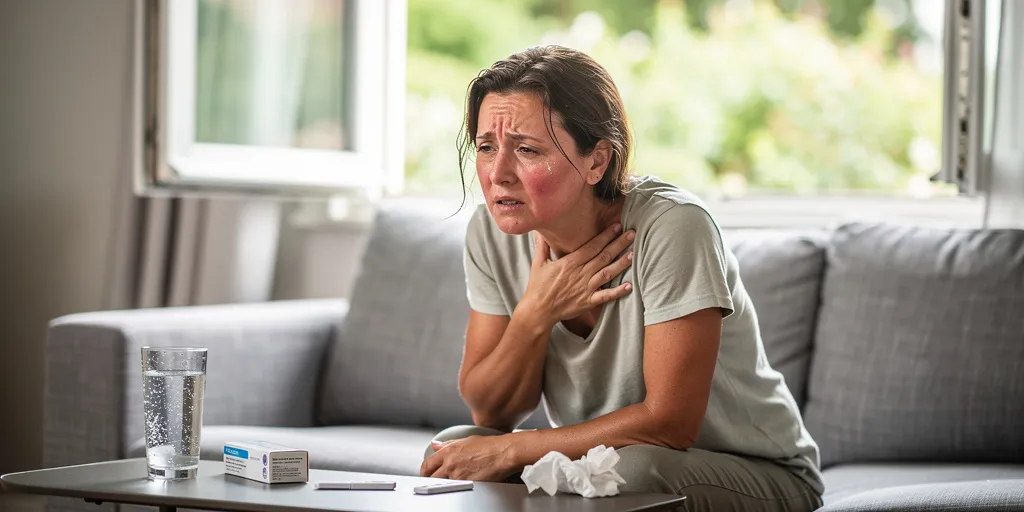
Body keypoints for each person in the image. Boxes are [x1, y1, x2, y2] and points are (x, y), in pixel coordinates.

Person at [419, 45, 824, 511]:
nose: (498, 174)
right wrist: (536, 312)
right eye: (487, 147)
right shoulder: (490, 233)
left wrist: (515, 448)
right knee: (451, 448)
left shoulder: (675, 227)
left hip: (757, 472)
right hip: (598, 461)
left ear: (597, 161)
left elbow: (670, 424)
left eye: (527, 150)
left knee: (631, 472)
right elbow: (491, 411)